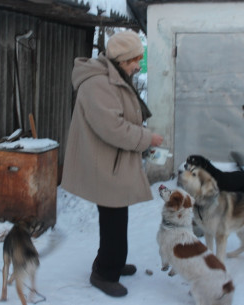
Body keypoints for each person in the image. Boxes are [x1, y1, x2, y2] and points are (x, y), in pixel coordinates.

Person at [60, 31, 164, 297]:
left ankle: (109, 263)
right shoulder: (97, 83)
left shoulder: (113, 76)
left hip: (112, 161)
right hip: (104, 163)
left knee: (114, 219)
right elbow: (112, 128)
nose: (137, 65)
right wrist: (146, 138)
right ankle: (105, 273)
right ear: (120, 59)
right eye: (134, 60)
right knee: (114, 220)